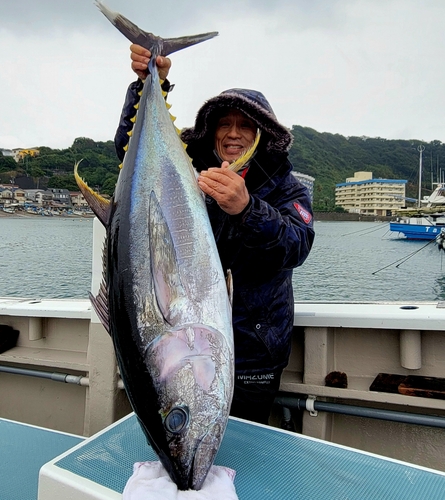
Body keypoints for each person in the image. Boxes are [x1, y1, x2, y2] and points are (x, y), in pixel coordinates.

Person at [115, 45, 315, 425]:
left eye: (245, 125)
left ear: (263, 134)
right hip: (185, 340)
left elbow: (297, 245)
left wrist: (247, 208)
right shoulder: (187, 175)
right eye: (225, 124)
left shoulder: (287, 188)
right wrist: (147, 84)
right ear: (213, 131)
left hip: (254, 354)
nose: (234, 134)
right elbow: (134, 171)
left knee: (245, 446)